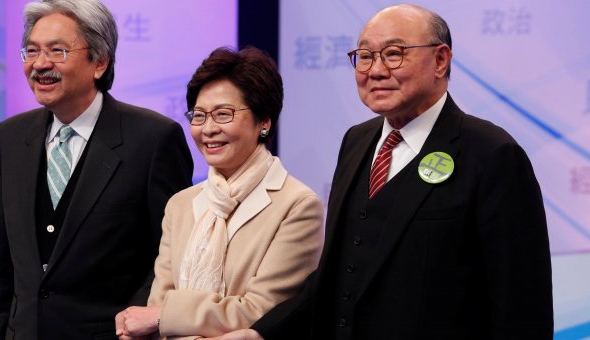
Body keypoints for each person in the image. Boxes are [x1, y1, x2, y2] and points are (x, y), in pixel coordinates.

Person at [214, 4, 553, 340]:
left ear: (440, 60)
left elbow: (521, 308)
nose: (375, 70)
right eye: (364, 56)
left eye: (393, 54)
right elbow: (335, 276)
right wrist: (258, 334)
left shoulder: (492, 154)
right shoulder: (357, 141)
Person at [0, 0, 193, 339]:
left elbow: (171, 256)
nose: (40, 64)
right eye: (31, 51)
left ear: (100, 61)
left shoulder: (153, 140)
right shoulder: (10, 137)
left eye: (57, 51)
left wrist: (132, 326)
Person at [114, 46, 325, 339]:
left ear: (264, 121)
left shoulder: (297, 204)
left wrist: (166, 317)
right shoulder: (181, 204)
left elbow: (259, 311)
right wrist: (161, 316)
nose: (208, 129)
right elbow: (157, 303)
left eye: (223, 114)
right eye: (198, 116)